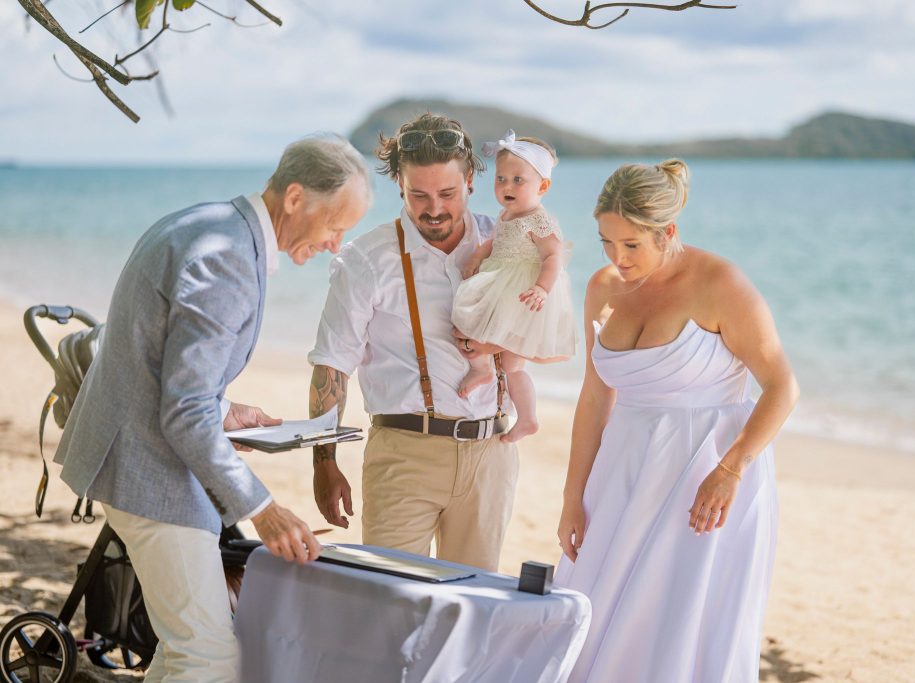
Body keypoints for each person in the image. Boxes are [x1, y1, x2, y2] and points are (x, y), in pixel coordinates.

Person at [54, 133, 372, 682]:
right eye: (334, 226)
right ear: (295, 198)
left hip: (136, 458)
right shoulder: (227, 258)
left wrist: (224, 408)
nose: (336, 244)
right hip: (147, 473)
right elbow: (183, 413)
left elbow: (159, 363)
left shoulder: (211, 223)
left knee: (187, 651)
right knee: (206, 655)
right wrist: (263, 509)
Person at [554, 160, 799, 682]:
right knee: (595, 614)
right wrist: (574, 497)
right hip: (622, 474)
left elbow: (782, 387)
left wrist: (731, 469)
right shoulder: (603, 287)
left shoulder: (721, 284)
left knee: (679, 624)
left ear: (668, 232)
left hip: (704, 478)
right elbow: (596, 397)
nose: (618, 259)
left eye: (632, 246)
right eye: (606, 242)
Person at [308, 113, 518, 572]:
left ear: (469, 181)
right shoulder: (366, 259)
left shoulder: (505, 242)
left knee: (473, 605)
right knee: (389, 603)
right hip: (404, 454)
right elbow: (331, 366)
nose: (434, 209)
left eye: (447, 194)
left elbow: (550, 338)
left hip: (492, 455)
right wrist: (324, 463)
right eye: (418, 195)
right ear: (399, 186)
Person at [451, 129, 576, 443]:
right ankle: (492, 379)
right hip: (501, 279)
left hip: (522, 291)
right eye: (501, 179)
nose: (507, 186)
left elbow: (553, 256)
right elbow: (496, 241)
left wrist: (542, 289)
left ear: (543, 186)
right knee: (493, 346)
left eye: (518, 180)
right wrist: (478, 254)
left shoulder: (539, 220)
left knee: (496, 345)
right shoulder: (507, 213)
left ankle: (524, 414)